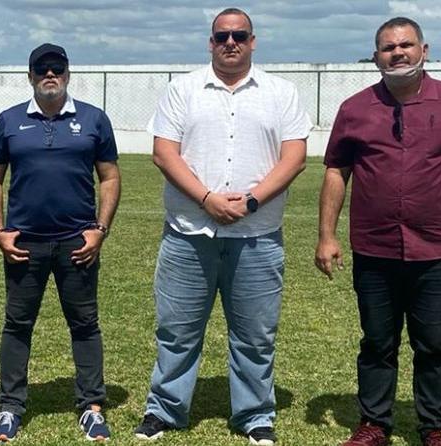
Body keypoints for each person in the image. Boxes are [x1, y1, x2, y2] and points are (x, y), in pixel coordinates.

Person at [316, 17, 441, 446]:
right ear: (376, 56)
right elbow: (336, 170)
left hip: (436, 249)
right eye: (387, 47)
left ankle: (436, 427)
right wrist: (326, 235)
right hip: (375, 247)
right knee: (377, 342)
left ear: (424, 49)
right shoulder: (355, 108)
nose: (397, 53)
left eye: (406, 45)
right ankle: (374, 424)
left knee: (434, 344)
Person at [135, 8, 311, 445]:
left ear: (253, 41)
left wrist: (250, 201)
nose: (230, 43)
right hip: (189, 233)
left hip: (257, 235)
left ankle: (254, 415)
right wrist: (207, 199)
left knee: (255, 335)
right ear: (210, 42)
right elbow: (164, 153)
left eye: (239, 35)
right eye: (221, 36)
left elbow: (294, 157)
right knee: (176, 331)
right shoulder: (183, 89)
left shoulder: (281, 92)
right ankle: (165, 409)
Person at [0, 43, 121, 442]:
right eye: (41, 68)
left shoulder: (93, 119)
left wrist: (100, 229)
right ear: (30, 75)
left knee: (84, 323)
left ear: (67, 73)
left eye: (56, 68)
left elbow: (109, 177)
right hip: (24, 244)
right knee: (17, 324)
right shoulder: (8, 120)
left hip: (78, 243)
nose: (49, 74)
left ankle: (91, 406)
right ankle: (10, 406)